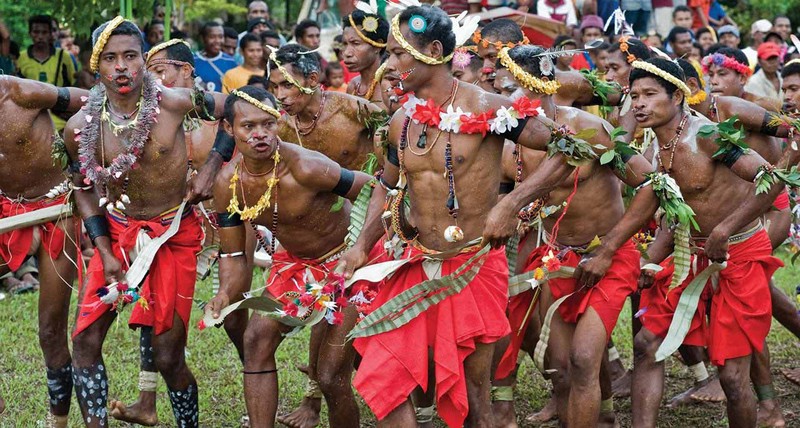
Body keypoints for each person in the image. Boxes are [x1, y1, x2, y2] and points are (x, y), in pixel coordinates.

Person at [333, 4, 553, 426]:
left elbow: (569, 151)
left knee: (474, 398)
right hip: (414, 262)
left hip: (472, 265)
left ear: (435, 50)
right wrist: (362, 245)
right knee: (387, 372)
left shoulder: (491, 110)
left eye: (400, 54)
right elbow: (386, 182)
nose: (390, 64)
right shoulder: (402, 119)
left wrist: (511, 203)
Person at [63, 17, 225, 427]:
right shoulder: (80, 127)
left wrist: (209, 171)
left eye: (131, 56)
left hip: (172, 234)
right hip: (115, 234)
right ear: (95, 66)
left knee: (170, 356)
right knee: (83, 341)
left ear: (142, 60)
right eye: (111, 58)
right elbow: (82, 186)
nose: (122, 67)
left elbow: (240, 108)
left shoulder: (175, 101)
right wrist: (103, 249)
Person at [489, 44, 660, 428]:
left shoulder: (587, 128)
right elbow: (500, 208)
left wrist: (608, 250)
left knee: (584, 359)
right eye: (502, 89)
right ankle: (601, 418)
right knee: (562, 368)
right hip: (555, 261)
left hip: (608, 257)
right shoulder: (505, 145)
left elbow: (651, 185)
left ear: (541, 88)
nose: (507, 98)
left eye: (513, 88)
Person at [628, 56, 791, 428]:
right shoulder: (653, 147)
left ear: (677, 97)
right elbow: (677, 211)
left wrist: (723, 230)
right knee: (645, 345)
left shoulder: (708, 135)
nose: (639, 103)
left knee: (734, 378)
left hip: (740, 253)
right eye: (634, 95)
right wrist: (650, 259)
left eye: (650, 94)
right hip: (690, 251)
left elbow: (768, 180)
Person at [205, 84, 379, 428]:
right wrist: (225, 293)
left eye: (268, 124)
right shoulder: (228, 184)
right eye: (248, 126)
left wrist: (360, 249)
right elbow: (234, 254)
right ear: (229, 129)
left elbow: (378, 190)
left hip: (349, 265)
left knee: (330, 375)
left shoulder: (306, 167)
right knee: (255, 339)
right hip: (299, 269)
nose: (260, 134)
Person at [106, 38, 226, 426]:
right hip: (157, 232)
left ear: (187, 71)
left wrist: (209, 170)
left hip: (216, 235)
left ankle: (258, 385)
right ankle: (147, 402)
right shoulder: (151, 114)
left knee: (239, 328)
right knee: (151, 314)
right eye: (150, 69)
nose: (151, 78)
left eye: (161, 70)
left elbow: (247, 113)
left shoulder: (207, 118)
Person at [0, 74, 86, 427]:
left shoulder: (20, 92)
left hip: (55, 211)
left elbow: (94, 105)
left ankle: (58, 420)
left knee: (50, 329)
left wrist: (84, 164)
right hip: (5, 212)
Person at [17, 14, 77, 132]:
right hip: (30, 120)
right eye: (36, 32)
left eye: (44, 32)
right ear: (30, 33)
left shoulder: (63, 57)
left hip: (60, 121)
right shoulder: (21, 58)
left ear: (50, 34)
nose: (40, 36)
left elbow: (73, 84)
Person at [704, 47, 781, 111]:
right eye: (711, 75)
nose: (713, 81)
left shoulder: (765, 107)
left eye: (722, 74)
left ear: (742, 79)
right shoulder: (704, 108)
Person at [342, 7, 389, 106]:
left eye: (355, 43)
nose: (347, 53)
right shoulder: (353, 86)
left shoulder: (390, 87)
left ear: (377, 46)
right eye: (345, 44)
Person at [194, 22, 238, 92]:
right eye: (212, 37)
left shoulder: (231, 62)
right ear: (202, 38)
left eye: (220, 37)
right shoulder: (192, 61)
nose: (217, 41)